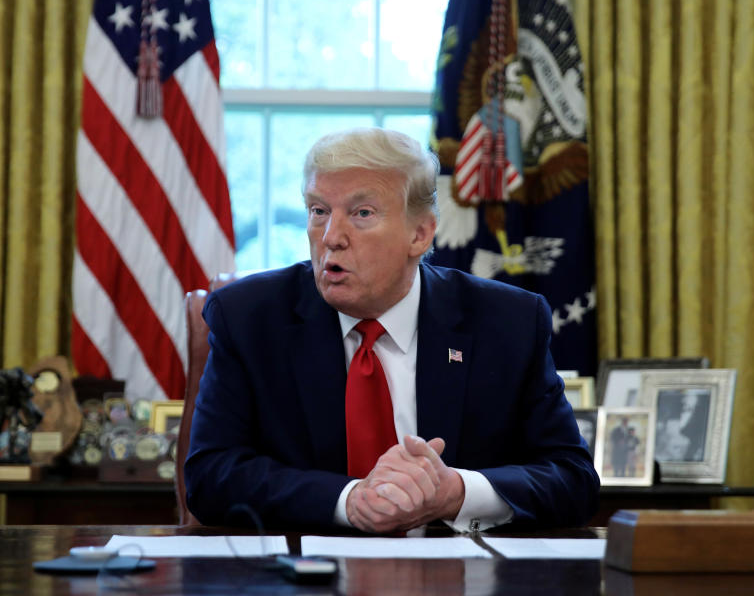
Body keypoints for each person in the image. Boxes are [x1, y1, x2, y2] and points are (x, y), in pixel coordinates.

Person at [185, 127, 599, 533]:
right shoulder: (249, 317)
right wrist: (349, 500)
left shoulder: (507, 322)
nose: (331, 238)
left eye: (362, 213)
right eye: (319, 211)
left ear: (419, 234)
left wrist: (457, 492)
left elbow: (571, 479)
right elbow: (210, 475)